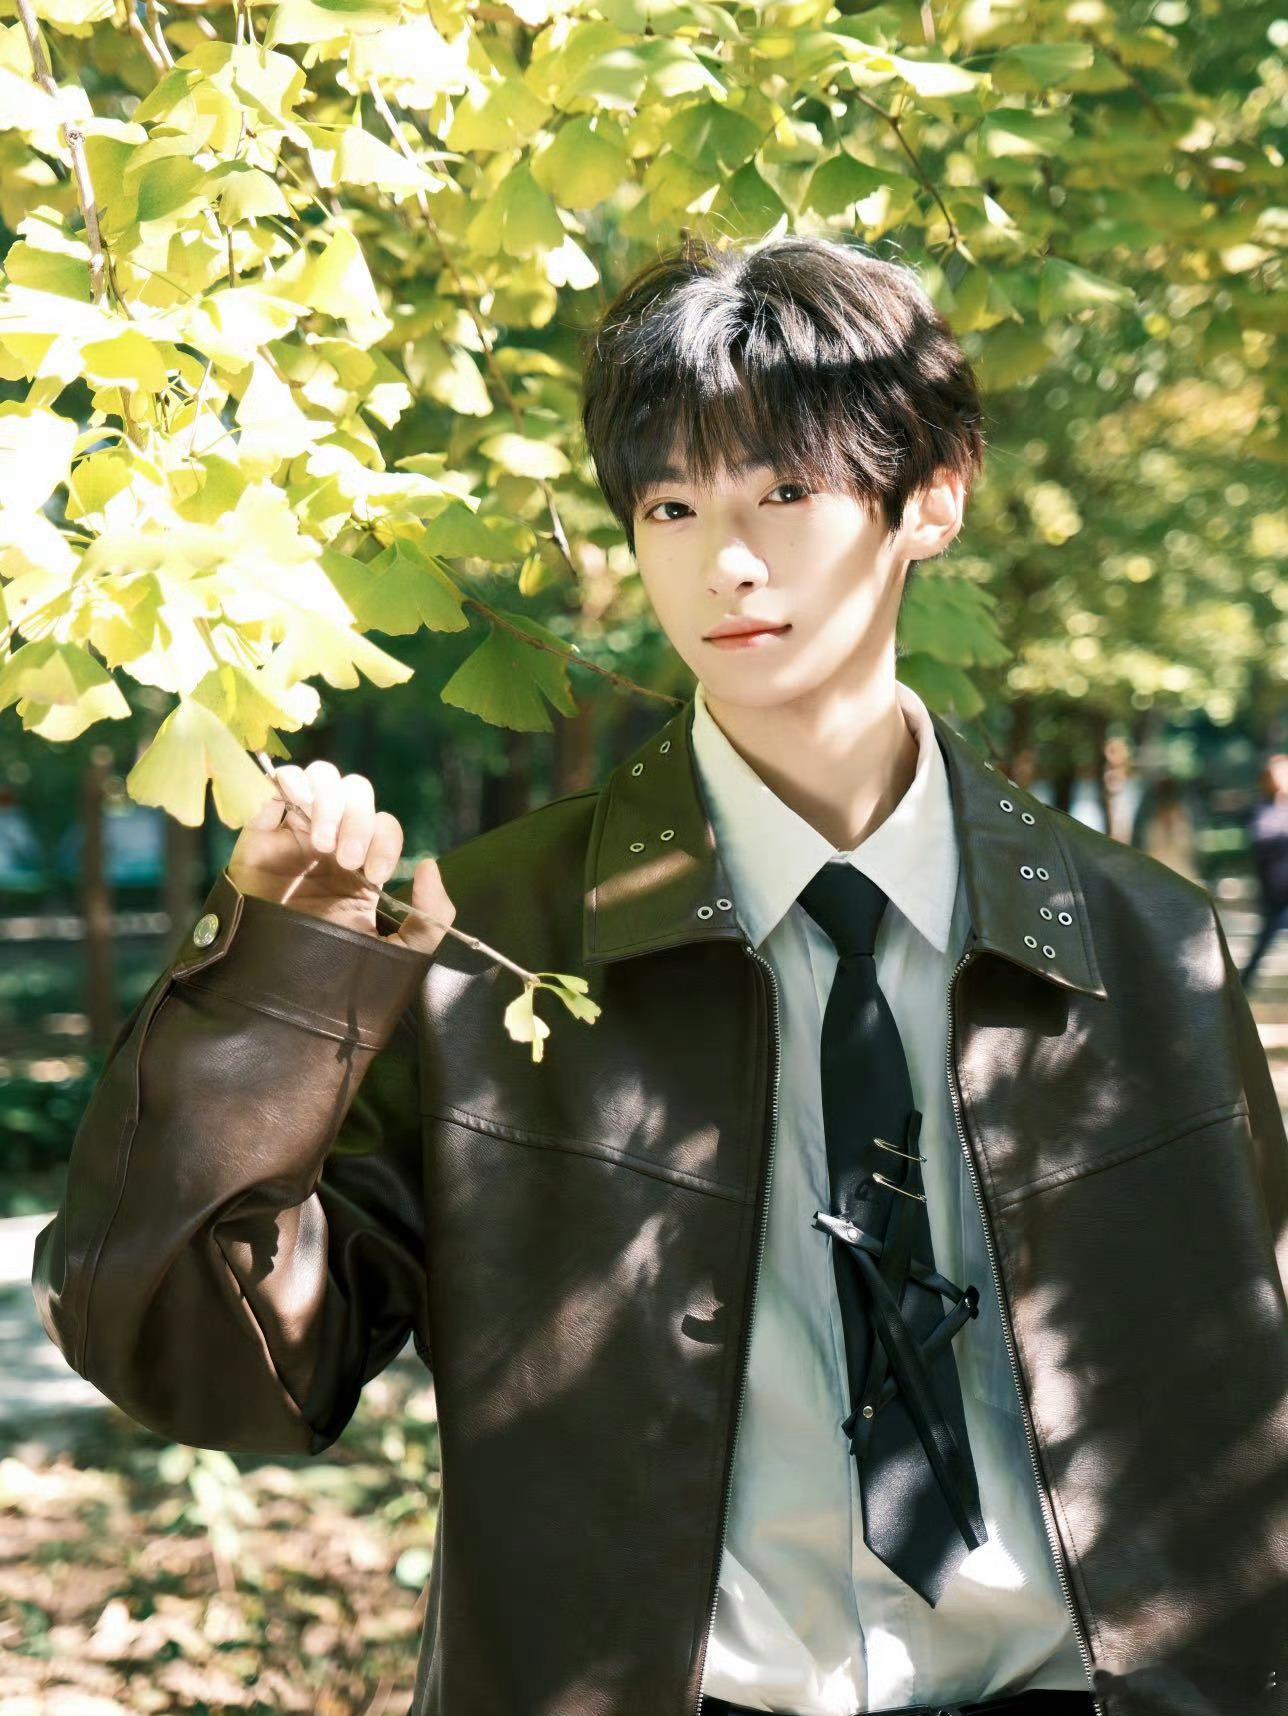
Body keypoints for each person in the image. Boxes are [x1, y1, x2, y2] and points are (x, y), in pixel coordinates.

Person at [31, 235, 1286, 1716]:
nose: (724, 562)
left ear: (932, 499)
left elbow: (1237, 1402)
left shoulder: (1139, 940)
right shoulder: (493, 941)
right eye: (672, 507)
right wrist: (274, 993)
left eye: (786, 493)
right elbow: (200, 1363)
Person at [1239, 752, 1288, 993]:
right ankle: (1241, 987)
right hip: (1276, 890)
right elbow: (1261, 841)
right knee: (1264, 940)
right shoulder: (1262, 810)